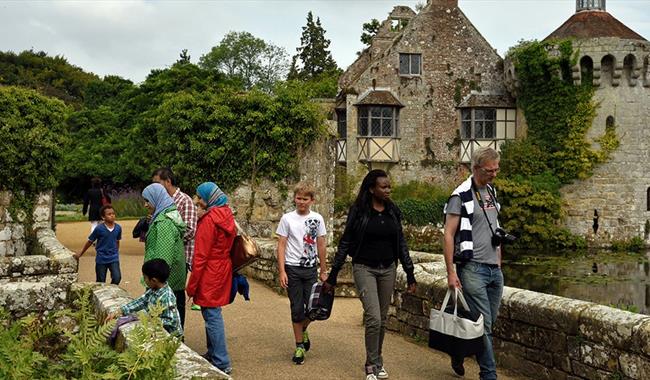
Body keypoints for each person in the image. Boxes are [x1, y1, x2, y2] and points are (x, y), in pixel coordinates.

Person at [325, 169, 417, 380]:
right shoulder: (359, 211)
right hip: (364, 268)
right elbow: (345, 242)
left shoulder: (393, 210)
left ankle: (378, 361)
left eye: (389, 186)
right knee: (374, 317)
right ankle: (370, 364)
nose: (388, 190)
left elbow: (401, 243)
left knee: (382, 319)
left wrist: (410, 274)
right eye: (383, 187)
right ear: (371, 189)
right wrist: (333, 276)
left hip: (388, 269)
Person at [443, 147, 504, 380]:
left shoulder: (491, 191)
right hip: (472, 268)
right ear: (476, 168)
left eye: (497, 169)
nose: (494, 174)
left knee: (488, 323)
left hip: (493, 269)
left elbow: (494, 227)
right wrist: (451, 272)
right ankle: (488, 374)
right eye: (490, 170)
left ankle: (459, 351)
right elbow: (448, 234)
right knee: (484, 324)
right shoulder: (460, 195)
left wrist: (499, 262)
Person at [186, 182, 236, 375]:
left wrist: (192, 285)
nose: (198, 200)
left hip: (210, 269)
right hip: (223, 266)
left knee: (212, 314)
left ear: (209, 198)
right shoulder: (225, 213)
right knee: (212, 311)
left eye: (200, 197)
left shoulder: (209, 220)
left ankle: (222, 361)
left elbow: (200, 257)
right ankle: (214, 352)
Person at [276, 182, 328, 365]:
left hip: (310, 269)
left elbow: (321, 244)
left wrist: (323, 269)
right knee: (297, 309)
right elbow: (281, 244)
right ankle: (299, 346)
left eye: (305, 199)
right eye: (299, 198)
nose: (301, 202)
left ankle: (304, 328)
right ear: (294, 198)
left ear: (312, 200)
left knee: (314, 309)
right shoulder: (287, 218)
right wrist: (282, 271)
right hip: (292, 268)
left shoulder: (318, 219)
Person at [142, 183, 188, 329]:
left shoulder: (163, 223)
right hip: (173, 279)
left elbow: (163, 258)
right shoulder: (168, 216)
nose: (145, 205)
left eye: (147, 200)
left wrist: (153, 281)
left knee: (167, 326)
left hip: (166, 281)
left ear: (156, 199)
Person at [108, 259, 183, 337]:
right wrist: (121, 310)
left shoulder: (167, 297)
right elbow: (141, 301)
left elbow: (170, 322)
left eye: (145, 278)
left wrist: (148, 319)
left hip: (171, 337)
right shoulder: (153, 289)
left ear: (153, 280)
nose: (144, 281)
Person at [152, 168, 198, 271]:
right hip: (163, 256)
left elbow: (190, 231)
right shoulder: (160, 201)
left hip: (179, 259)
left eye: (157, 183)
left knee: (175, 287)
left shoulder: (184, 200)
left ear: (168, 181)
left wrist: (167, 240)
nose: (154, 187)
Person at [74, 205, 122, 285]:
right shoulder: (99, 229)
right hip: (101, 258)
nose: (112, 216)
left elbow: (117, 240)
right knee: (100, 282)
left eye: (113, 213)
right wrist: (81, 253)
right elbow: (90, 241)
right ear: (103, 217)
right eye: (109, 214)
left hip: (113, 258)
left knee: (117, 277)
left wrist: (116, 252)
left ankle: (111, 289)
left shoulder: (118, 228)